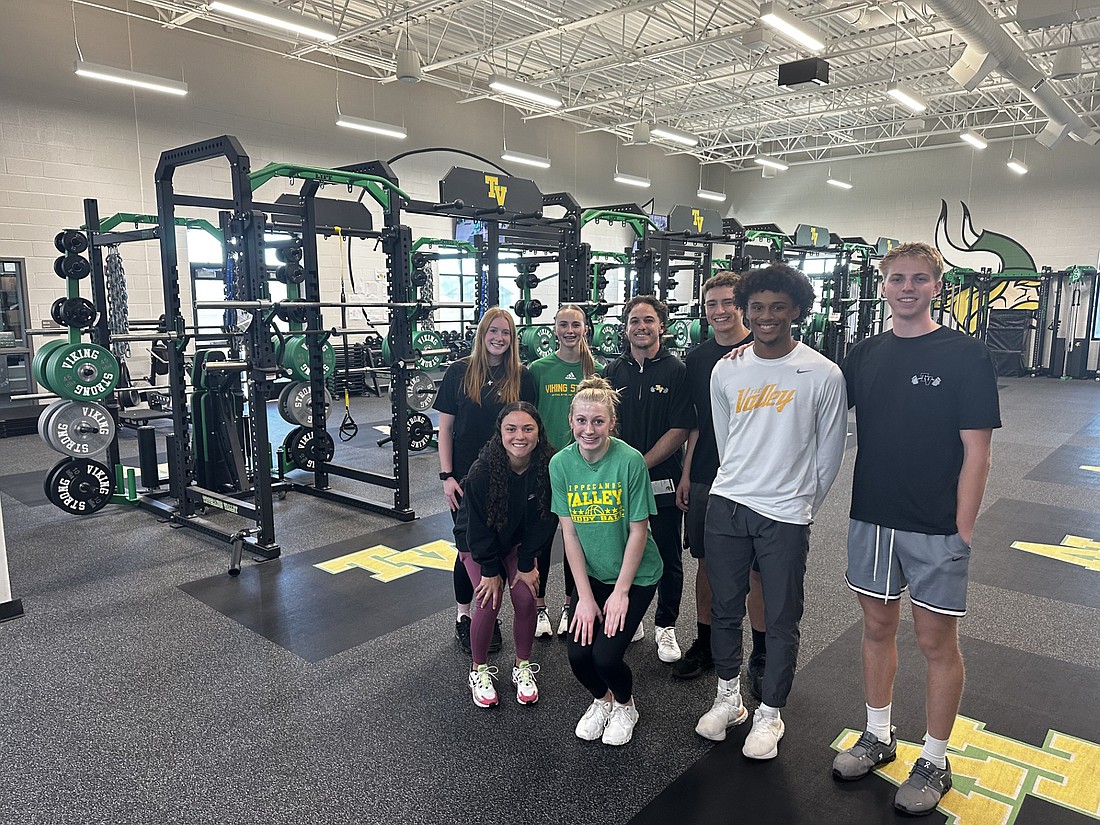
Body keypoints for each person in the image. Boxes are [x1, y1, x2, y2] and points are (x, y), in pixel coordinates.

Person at [831, 242, 999, 816]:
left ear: (936, 285)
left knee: (934, 642)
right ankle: (879, 734)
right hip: (872, 515)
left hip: (936, 526)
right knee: (877, 628)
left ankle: (936, 757)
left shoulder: (965, 355)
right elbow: (817, 410)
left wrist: (963, 530)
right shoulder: (863, 354)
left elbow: (977, 451)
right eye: (898, 278)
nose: (907, 287)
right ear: (883, 285)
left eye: (919, 279)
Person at [695, 263, 847, 761]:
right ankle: (729, 699)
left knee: (781, 620)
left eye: (777, 307)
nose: (765, 317)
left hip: (784, 513)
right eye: (756, 307)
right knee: (723, 610)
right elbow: (724, 436)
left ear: (797, 311)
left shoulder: (823, 373)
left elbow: (829, 457)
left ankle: (770, 713)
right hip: (728, 504)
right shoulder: (728, 368)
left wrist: (802, 506)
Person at [549, 376, 663, 746]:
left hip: (637, 574)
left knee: (607, 658)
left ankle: (626, 706)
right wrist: (583, 597)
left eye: (598, 421)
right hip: (594, 574)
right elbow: (569, 534)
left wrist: (621, 593)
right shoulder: (561, 465)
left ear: (611, 422)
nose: (589, 429)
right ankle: (603, 700)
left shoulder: (629, 461)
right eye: (581, 421)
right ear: (571, 421)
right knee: (579, 657)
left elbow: (638, 531)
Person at [674, 273, 767, 691]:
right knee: (707, 562)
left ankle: (761, 650)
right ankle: (707, 643)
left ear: (742, 305)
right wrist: (688, 475)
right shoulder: (697, 360)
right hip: (709, 476)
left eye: (728, 302)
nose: (720, 311)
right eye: (712, 304)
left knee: (755, 571)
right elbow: (695, 426)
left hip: (759, 478)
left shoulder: (766, 351)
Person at [435, 308, 537, 653]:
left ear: (513, 338)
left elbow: (529, 427)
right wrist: (447, 476)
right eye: (493, 331)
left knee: (503, 544)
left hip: (511, 478)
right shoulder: (459, 372)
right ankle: (466, 617)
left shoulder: (522, 376)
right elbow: (445, 428)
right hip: (466, 480)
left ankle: (488, 616)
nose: (499, 338)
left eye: (506, 333)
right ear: (482, 334)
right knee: (470, 548)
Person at [604, 296, 694, 663]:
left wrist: (639, 463)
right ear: (625, 328)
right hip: (619, 480)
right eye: (634, 321)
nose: (641, 327)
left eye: (648, 321)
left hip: (663, 479)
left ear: (662, 326)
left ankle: (666, 626)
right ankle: (632, 615)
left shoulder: (677, 371)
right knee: (621, 549)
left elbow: (681, 428)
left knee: (668, 553)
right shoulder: (613, 372)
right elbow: (603, 422)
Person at [454, 402, 557, 708]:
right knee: (489, 601)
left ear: (539, 432)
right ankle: (479, 670)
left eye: (528, 428)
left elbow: (544, 521)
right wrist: (490, 570)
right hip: (478, 544)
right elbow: (476, 528)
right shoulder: (482, 470)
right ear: (500, 433)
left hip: (516, 543)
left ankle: (522, 666)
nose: (519, 436)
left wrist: (526, 564)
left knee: (526, 597)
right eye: (511, 429)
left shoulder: (548, 466)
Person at [528, 304, 602, 638]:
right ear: (554, 329)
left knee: (580, 540)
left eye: (575, 325)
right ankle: (540, 606)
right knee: (542, 539)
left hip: (582, 467)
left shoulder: (595, 370)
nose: (569, 330)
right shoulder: (538, 369)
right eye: (563, 325)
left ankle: (571, 605)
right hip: (545, 465)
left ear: (585, 329)